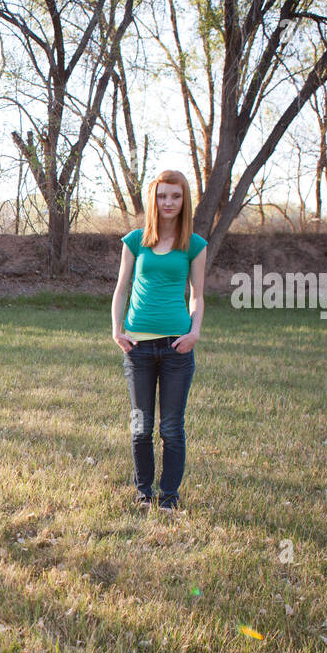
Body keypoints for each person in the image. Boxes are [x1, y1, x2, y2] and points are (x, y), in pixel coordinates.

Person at [110, 169, 207, 512]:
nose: (169, 202)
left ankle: (168, 498)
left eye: (175, 196)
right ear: (154, 199)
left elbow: (197, 294)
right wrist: (116, 328)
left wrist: (194, 331)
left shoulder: (194, 245)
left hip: (176, 347)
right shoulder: (135, 240)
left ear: (184, 201)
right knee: (141, 426)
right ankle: (144, 494)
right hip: (138, 347)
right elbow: (122, 288)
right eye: (163, 195)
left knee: (170, 428)